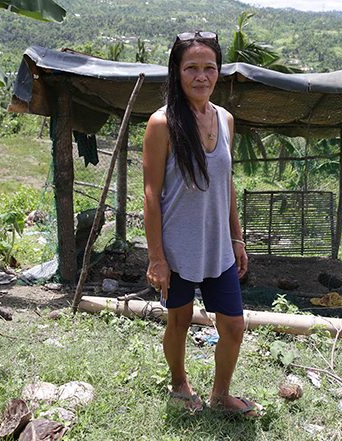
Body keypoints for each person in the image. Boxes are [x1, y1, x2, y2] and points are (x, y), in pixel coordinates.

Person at [142, 30, 261, 417]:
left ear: (218, 72)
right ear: (176, 72)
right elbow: (151, 195)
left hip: (218, 248)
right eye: (191, 67)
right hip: (178, 247)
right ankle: (179, 384)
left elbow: (226, 183)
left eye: (209, 67)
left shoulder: (225, 120)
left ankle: (220, 395)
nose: (201, 76)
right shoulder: (162, 124)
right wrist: (157, 257)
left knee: (234, 326)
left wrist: (236, 239)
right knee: (178, 321)